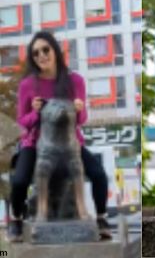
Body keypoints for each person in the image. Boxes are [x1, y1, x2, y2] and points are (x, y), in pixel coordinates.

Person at [7, 31, 112, 242]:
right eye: (36, 53)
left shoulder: (75, 81)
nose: (41, 56)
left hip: (69, 143)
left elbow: (81, 119)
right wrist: (35, 113)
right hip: (36, 144)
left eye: (45, 50)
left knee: (98, 174)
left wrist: (79, 109)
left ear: (54, 50)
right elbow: (20, 124)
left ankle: (101, 217)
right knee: (19, 181)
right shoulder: (28, 85)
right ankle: (16, 219)